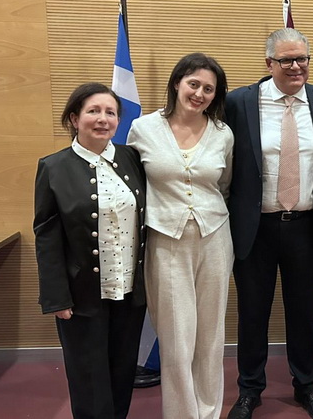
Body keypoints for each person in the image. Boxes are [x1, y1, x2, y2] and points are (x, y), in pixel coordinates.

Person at [224, 28, 313, 419]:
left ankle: (307, 386)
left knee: (303, 312)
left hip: (305, 227)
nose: (296, 66)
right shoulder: (240, 102)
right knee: (252, 312)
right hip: (255, 228)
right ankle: (249, 389)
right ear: (269, 63)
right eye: (287, 60)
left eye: (302, 58)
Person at [126, 53, 234, 419]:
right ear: (177, 83)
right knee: (176, 340)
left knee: (211, 336)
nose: (199, 94)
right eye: (194, 84)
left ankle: (209, 412)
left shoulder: (223, 133)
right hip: (165, 242)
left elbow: (224, 184)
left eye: (209, 89)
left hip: (215, 238)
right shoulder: (143, 129)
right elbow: (132, 183)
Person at [34, 82, 147, 419]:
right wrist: (57, 297)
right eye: (93, 111)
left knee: (122, 369)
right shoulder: (54, 167)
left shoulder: (131, 158)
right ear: (74, 118)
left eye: (110, 112)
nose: (103, 119)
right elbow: (47, 236)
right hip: (81, 292)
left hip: (129, 290)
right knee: (88, 374)